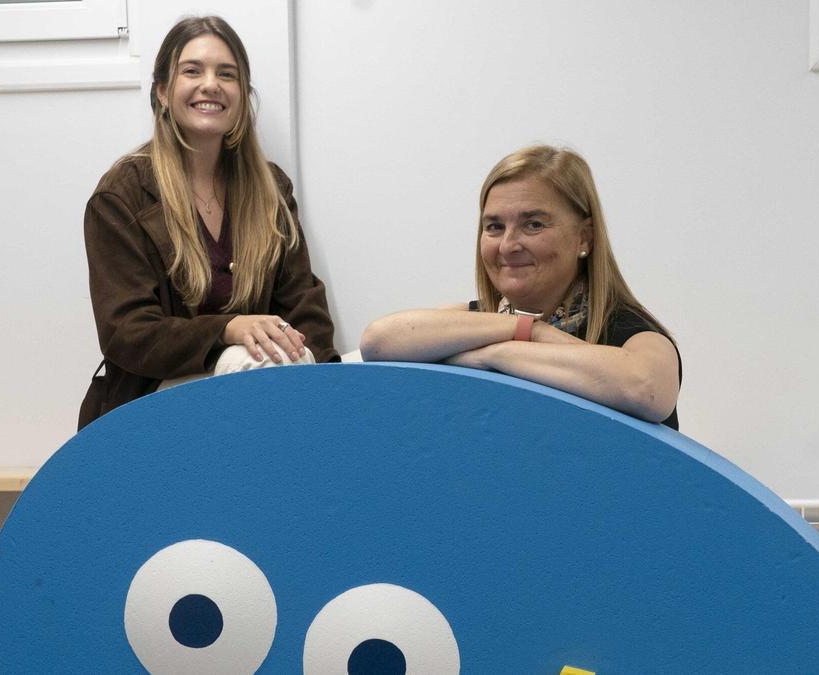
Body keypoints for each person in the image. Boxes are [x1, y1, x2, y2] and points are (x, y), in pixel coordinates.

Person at [79, 16, 337, 429]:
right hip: (151, 404)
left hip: (259, 393)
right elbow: (127, 333)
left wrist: (322, 379)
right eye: (192, 70)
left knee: (349, 364)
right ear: (163, 91)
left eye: (227, 74)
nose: (211, 84)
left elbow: (305, 306)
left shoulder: (271, 189)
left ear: (242, 95)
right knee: (249, 363)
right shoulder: (121, 195)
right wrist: (228, 330)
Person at [359, 145, 680, 428]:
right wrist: (527, 329)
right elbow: (378, 341)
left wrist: (493, 355)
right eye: (494, 227)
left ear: (584, 237)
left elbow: (646, 388)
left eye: (533, 224)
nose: (508, 245)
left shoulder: (632, 333)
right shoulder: (476, 319)